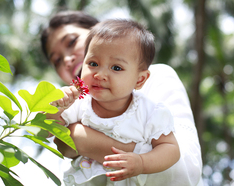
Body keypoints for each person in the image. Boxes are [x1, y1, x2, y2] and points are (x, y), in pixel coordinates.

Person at [41, 10, 203, 186]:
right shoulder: (78, 102)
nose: (67, 60)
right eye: (57, 60)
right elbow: (46, 131)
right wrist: (55, 109)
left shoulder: (154, 92)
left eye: (72, 41)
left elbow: (184, 167)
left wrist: (80, 138)